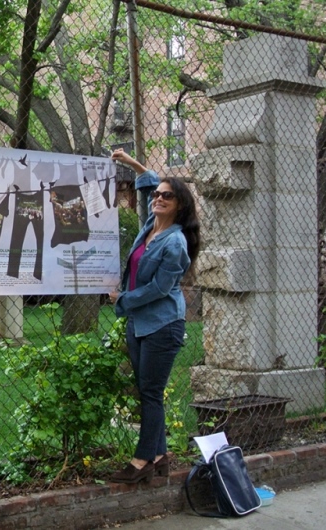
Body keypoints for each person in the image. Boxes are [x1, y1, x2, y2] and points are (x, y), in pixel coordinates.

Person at [108, 148, 201, 484]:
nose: (158, 198)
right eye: (158, 195)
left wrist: (123, 299)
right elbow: (147, 182)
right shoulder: (151, 224)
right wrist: (131, 162)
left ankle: (143, 459)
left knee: (150, 392)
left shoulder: (175, 242)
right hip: (140, 322)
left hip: (163, 323)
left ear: (179, 205)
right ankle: (161, 457)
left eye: (167, 196)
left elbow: (160, 289)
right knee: (147, 389)